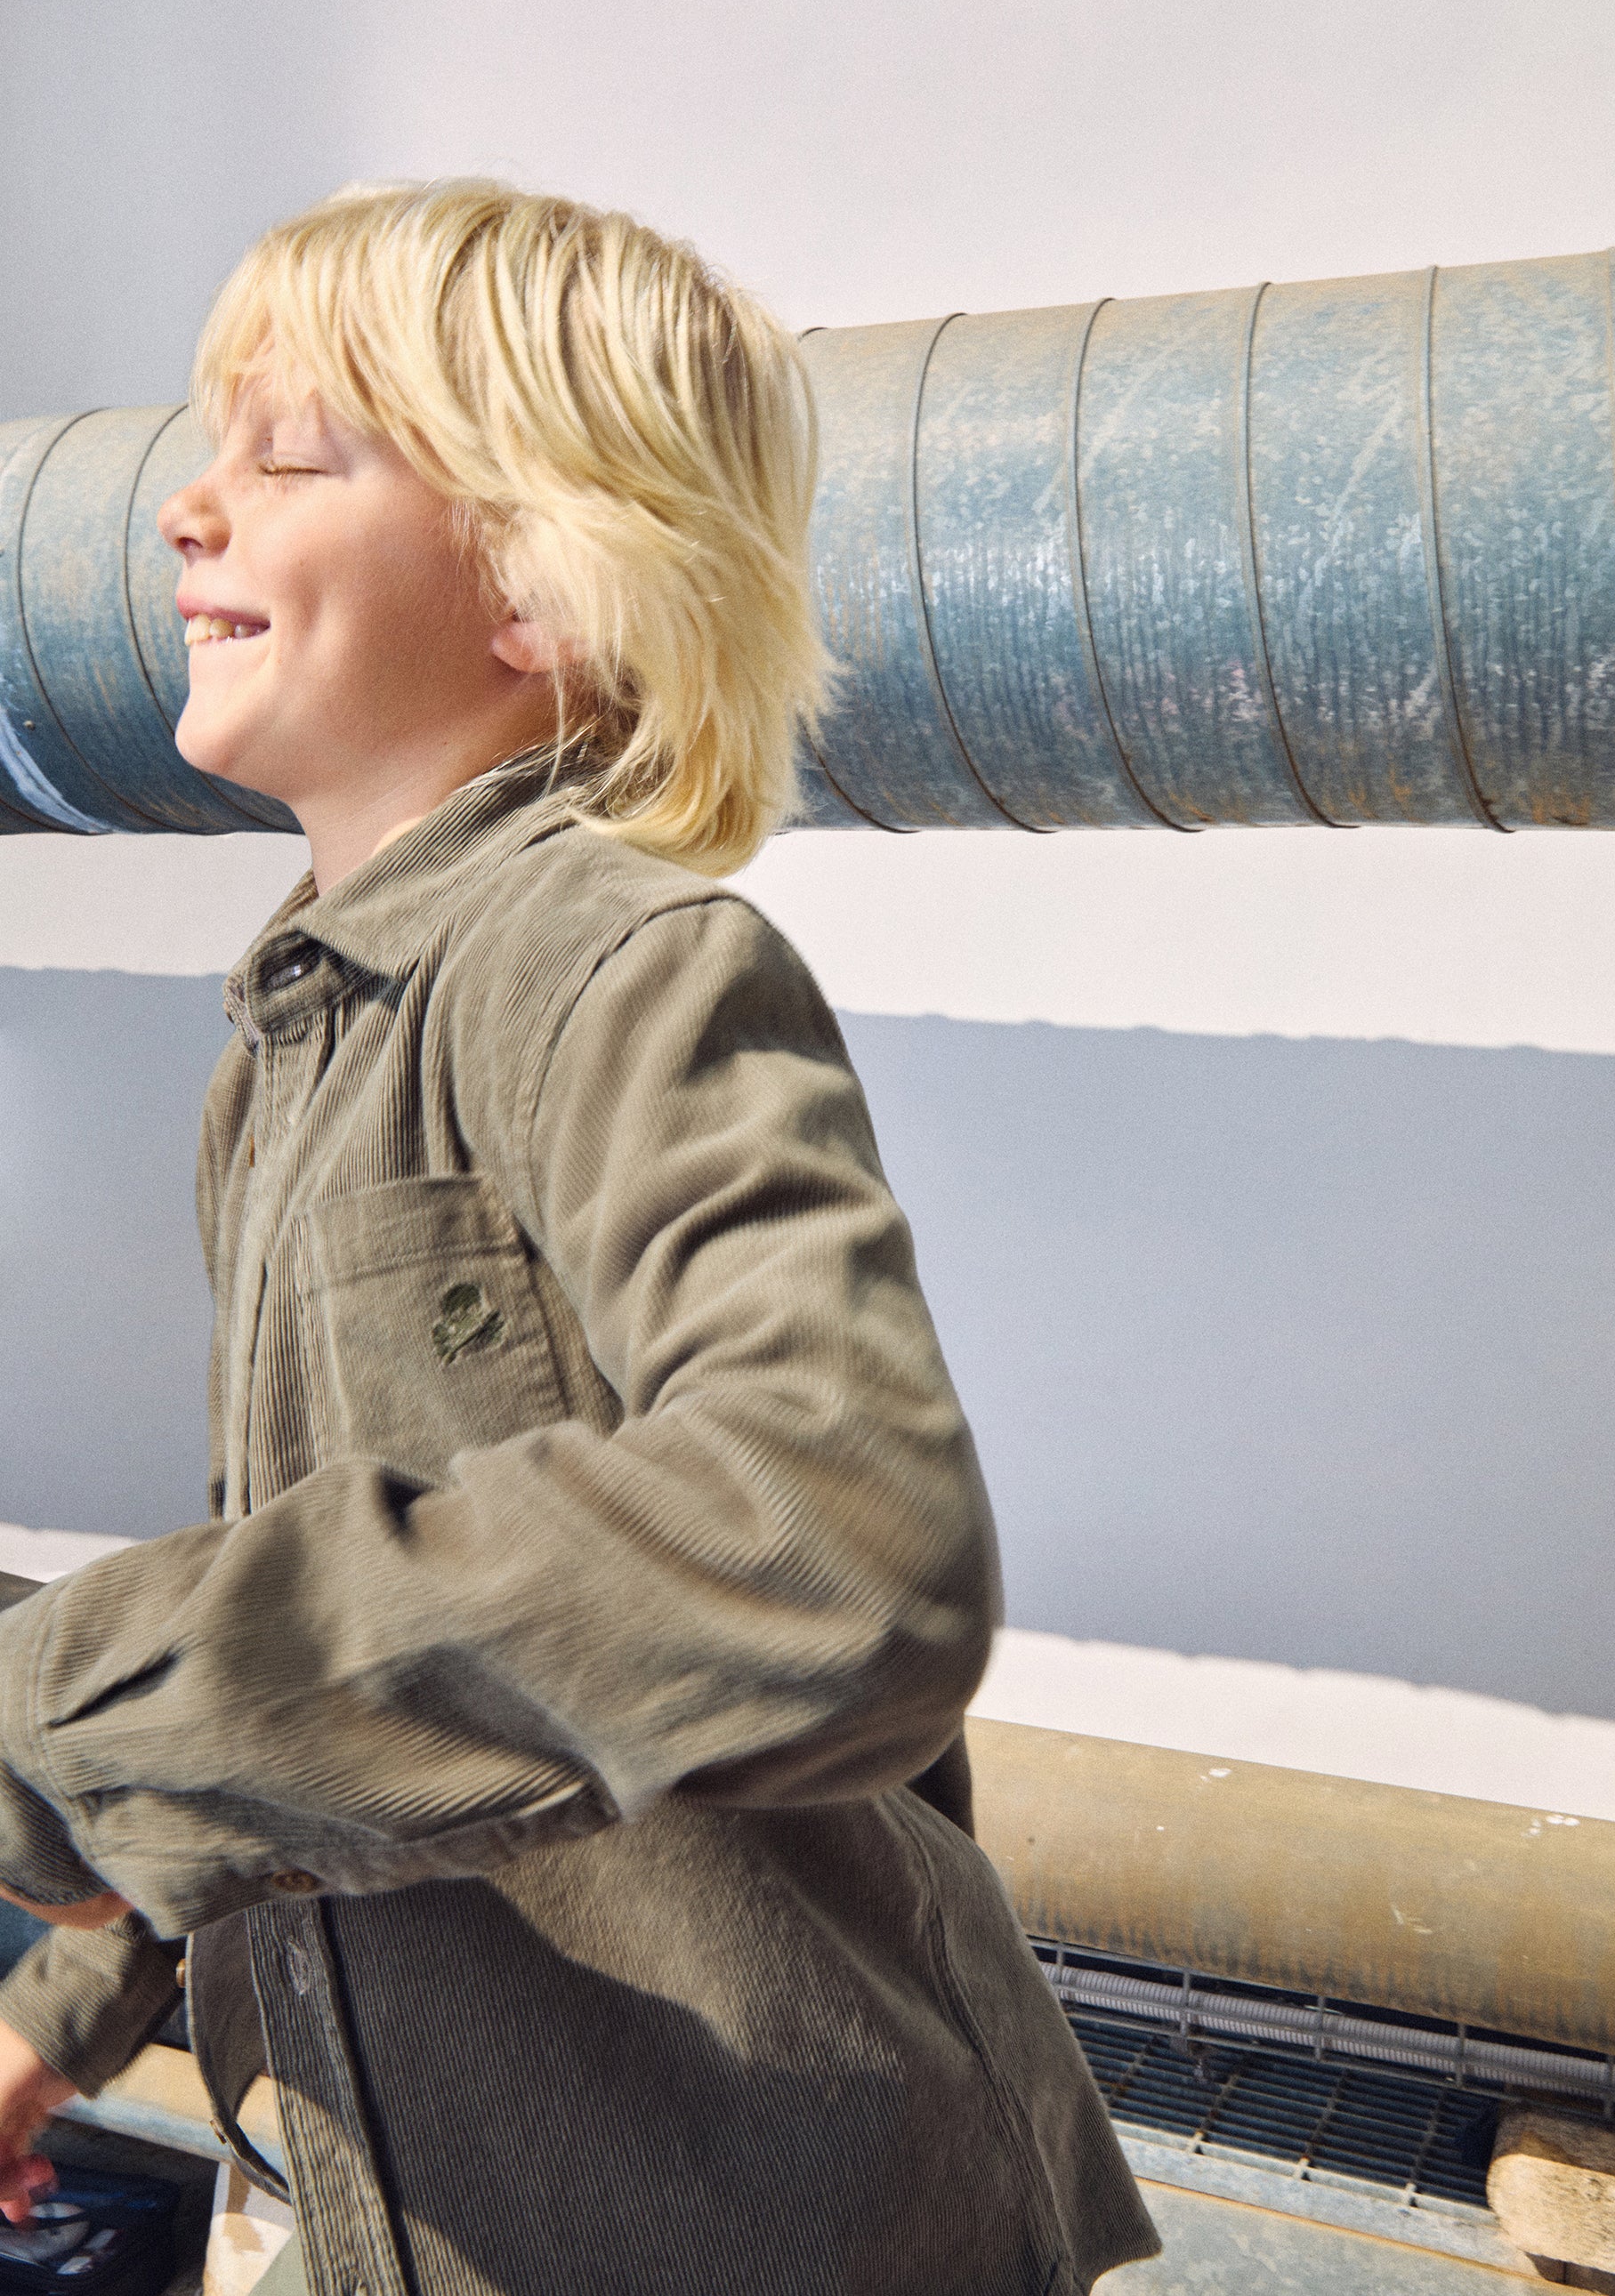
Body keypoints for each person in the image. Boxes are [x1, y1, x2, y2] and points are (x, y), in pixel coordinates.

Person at [0, 181, 1157, 2294]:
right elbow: (342, 1674)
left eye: (287, 454)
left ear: (537, 589)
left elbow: (843, 1524)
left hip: (768, 2233)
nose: (184, 508)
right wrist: (60, 2015)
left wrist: (63, 1729)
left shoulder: (621, 965)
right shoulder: (294, 1041)